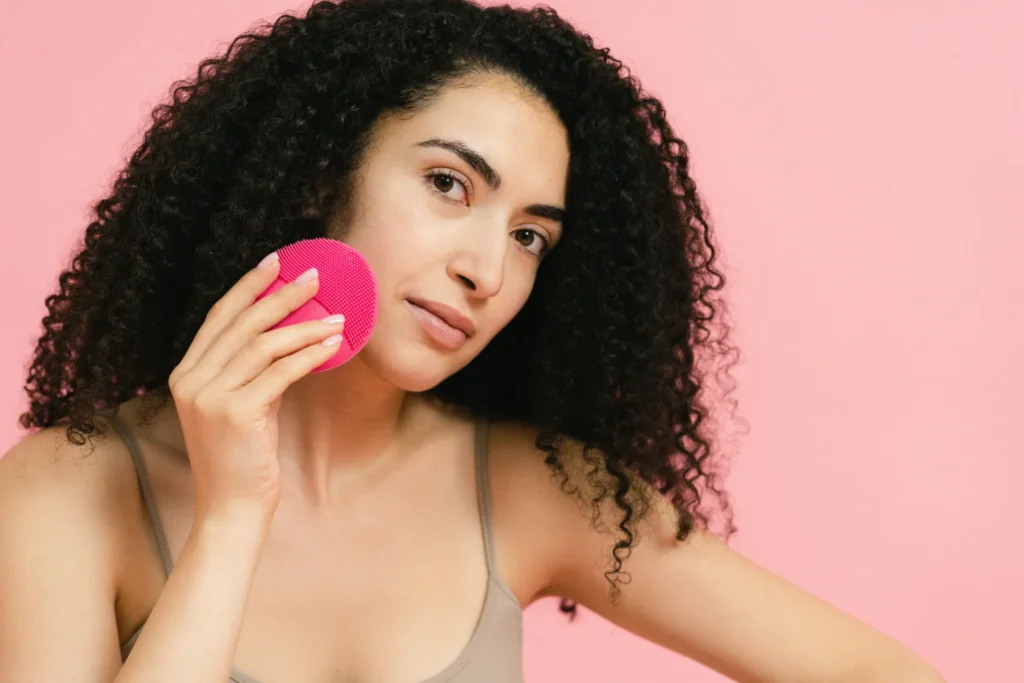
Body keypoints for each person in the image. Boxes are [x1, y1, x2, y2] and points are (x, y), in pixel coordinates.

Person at [0, 0, 945, 681]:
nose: (488, 270)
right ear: (322, 171)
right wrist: (232, 515)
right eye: (449, 185)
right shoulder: (66, 490)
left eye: (530, 236)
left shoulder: (532, 488)